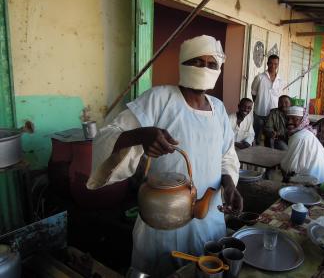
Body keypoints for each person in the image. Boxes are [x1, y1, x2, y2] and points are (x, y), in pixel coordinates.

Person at [86, 35, 242, 277]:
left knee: (206, 269)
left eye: (212, 64)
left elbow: (227, 155)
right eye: (197, 62)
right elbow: (106, 136)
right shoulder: (159, 99)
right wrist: (140, 135)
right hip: (163, 216)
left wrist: (229, 183)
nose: (205, 69)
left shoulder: (219, 109)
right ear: (183, 64)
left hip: (208, 216)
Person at [280, 106, 324, 184]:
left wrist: (283, 167)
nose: (289, 122)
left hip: (315, 182)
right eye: (287, 118)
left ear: (302, 120)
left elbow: (292, 168)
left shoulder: (300, 137)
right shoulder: (304, 132)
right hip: (323, 178)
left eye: (295, 119)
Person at [251, 54, 283, 144]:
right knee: (256, 136)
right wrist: (259, 103)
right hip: (259, 113)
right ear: (267, 63)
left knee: (270, 139)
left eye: (275, 64)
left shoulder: (280, 80)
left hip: (272, 115)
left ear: (278, 65)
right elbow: (253, 94)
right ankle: (254, 155)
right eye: (271, 63)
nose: (273, 66)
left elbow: (279, 97)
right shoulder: (259, 77)